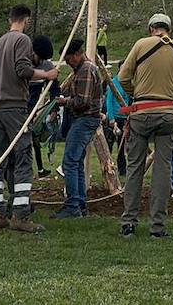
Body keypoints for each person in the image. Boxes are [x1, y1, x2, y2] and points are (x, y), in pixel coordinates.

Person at [118, 12, 173, 239]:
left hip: (141, 112)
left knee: (135, 167)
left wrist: (137, 92)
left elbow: (123, 77)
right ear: (169, 30)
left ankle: (129, 222)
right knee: (163, 169)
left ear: (151, 29)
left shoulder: (140, 45)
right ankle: (157, 226)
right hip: (167, 114)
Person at [0, 3, 57, 233]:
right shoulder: (22, 40)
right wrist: (47, 74)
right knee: (23, 157)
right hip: (14, 107)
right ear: (26, 20)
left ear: (10, 19)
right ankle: (21, 215)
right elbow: (23, 70)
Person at [55, 38, 102, 219]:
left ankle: (73, 205)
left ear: (76, 55)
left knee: (70, 162)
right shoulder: (85, 69)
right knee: (76, 162)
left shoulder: (85, 71)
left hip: (85, 119)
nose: (68, 63)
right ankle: (80, 204)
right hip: (86, 119)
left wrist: (64, 101)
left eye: (68, 60)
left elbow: (83, 101)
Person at [29, 35, 57, 178]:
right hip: (18, 105)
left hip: (31, 108)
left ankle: (40, 169)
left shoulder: (47, 65)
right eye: (38, 57)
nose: (40, 62)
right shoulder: (23, 62)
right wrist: (45, 75)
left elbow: (54, 89)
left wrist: (54, 109)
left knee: (34, 138)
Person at [103, 64, 129, 178]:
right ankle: (106, 167)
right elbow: (108, 101)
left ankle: (122, 170)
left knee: (121, 146)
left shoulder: (127, 83)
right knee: (109, 145)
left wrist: (128, 116)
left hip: (124, 117)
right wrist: (111, 118)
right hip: (114, 117)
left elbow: (128, 100)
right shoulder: (113, 83)